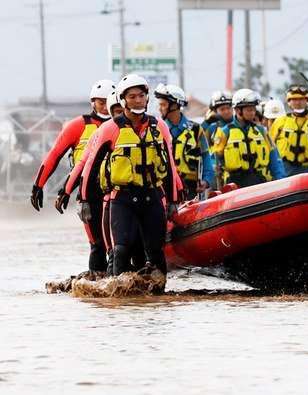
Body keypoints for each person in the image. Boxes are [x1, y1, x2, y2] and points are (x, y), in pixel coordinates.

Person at [78, 74, 181, 276]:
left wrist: (172, 201)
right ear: (123, 100)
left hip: (152, 197)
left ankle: (158, 302)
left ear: (147, 98)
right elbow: (90, 167)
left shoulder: (159, 126)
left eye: (141, 96)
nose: (137, 100)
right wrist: (85, 201)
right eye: (132, 96)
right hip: (122, 200)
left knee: (155, 252)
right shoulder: (110, 129)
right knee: (121, 250)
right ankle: (119, 302)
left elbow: (169, 167)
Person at [30, 79, 115, 272]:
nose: (104, 106)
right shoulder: (77, 125)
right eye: (100, 102)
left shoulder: (123, 125)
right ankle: (98, 293)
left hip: (117, 190)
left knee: (120, 245)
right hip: (89, 193)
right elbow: (54, 155)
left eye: (108, 101)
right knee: (97, 245)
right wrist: (38, 186)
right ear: (92, 102)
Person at [211, 88, 285, 188]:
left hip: (259, 183)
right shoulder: (224, 133)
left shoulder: (262, 132)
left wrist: (280, 181)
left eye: (254, 109)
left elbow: (274, 158)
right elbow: (215, 161)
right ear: (237, 110)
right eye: (249, 110)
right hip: (234, 185)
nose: (253, 113)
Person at [155, 83, 214, 200]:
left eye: (163, 104)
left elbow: (205, 156)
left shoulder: (196, 130)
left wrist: (206, 180)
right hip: (163, 187)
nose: (159, 108)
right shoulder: (156, 129)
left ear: (175, 106)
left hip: (191, 189)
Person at [270, 85, 308, 176]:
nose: (298, 103)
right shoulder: (280, 122)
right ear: (289, 102)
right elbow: (270, 147)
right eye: (294, 100)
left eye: (301, 99)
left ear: (307, 101)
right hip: (285, 169)